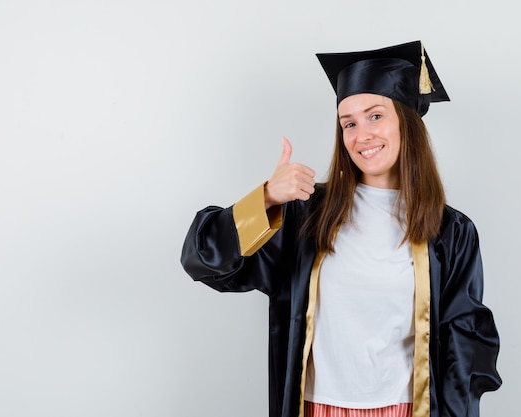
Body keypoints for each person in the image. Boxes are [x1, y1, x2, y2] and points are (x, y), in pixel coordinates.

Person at [181, 40, 501, 417]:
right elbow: (203, 260)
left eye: (375, 116)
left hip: (407, 409)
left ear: (407, 122)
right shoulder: (305, 214)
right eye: (348, 123)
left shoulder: (450, 230)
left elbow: (464, 342)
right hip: (315, 408)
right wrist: (266, 198)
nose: (360, 134)